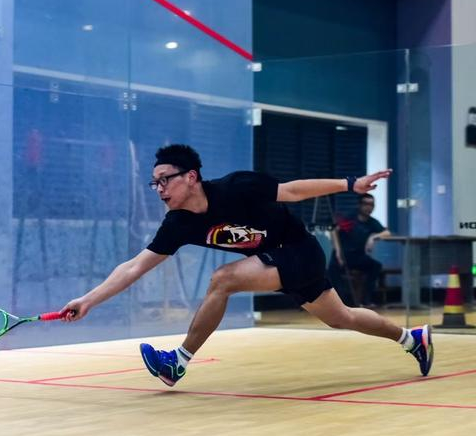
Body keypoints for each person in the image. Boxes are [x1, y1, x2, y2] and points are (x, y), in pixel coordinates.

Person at [60, 144, 433, 386]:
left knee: (223, 279)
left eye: (165, 180)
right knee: (342, 317)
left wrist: (350, 184)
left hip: (299, 250)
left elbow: (293, 191)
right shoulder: (178, 224)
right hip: (276, 262)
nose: (159, 189)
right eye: (154, 183)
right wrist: (88, 300)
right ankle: (411, 339)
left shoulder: (236, 186)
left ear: (191, 177)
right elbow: (133, 267)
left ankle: (178, 362)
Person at [329, 193, 391, 307]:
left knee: (375, 266)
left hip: (357, 256)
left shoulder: (372, 222)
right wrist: (337, 251)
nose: (369, 207)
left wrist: (373, 237)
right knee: (332, 271)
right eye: (366, 204)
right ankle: (338, 302)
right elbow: (334, 231)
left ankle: (365, 300)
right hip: (342, 255)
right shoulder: (350, 219)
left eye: (371, 205)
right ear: (359, 205)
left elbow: (387, 232)